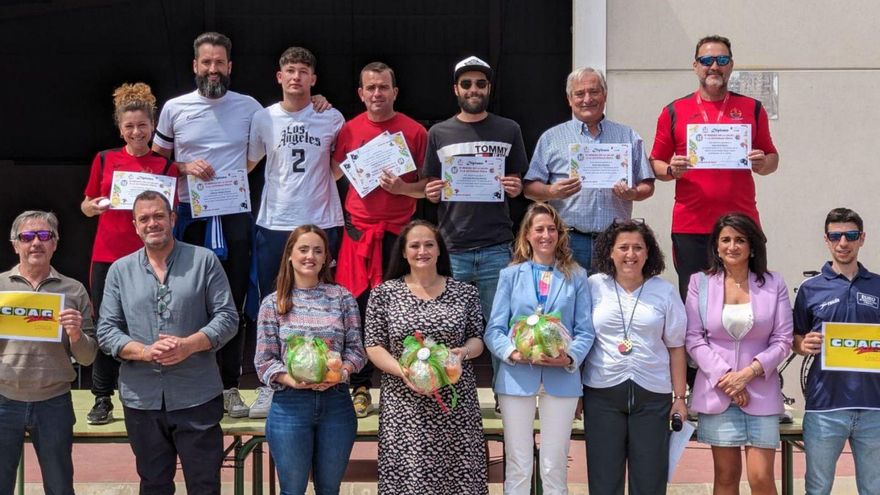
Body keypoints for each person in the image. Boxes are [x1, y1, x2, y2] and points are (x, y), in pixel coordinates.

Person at [151, 31, 262, 418]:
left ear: (230, 67)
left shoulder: (250, 107)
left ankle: (230, 386)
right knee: (186, 300)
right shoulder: (174, 108)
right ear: (195, 66)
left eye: (219, 63)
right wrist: (184, 167)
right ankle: (187, 386)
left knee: (232, 301)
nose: (213, 70)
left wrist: (318, 102)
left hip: (234, 215)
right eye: (206, 63)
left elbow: (259, 153)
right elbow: (156, 162)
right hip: (188, 216)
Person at [97, 191, 238, 494]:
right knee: (154, 485)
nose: (152, 223)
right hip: (142, 397)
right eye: (144, 218)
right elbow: (107, 330)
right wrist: (144, 352)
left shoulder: (204, 261)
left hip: (197, 394)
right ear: (135, 226)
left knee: (204, 485)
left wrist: (190, 345)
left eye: (159, 216)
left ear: (173, 218)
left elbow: (228, 318)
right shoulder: (120, 271)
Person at [649, 35, 779, 300]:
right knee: (697, 301)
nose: (714, 66)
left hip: (742, 222)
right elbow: (655, 163)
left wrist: (762, 163)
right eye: (706, 60)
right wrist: (672, 170)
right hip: (692, 225)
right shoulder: (674, 110)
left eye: (721, 60)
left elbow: (772, 158)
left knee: (746, 297)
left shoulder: (752, 108)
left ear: (731, 65)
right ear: (695, 66)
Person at [332, 61, 428, 417]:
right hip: (358, 234)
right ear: (360, 93)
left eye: (383, 87)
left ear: (395, 91)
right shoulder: (348, 130)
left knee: (400, 312)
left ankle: (404, 380)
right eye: (370, 88)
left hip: (399, 234)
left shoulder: (415, 132)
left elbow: (431, 189)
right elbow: (331, 174)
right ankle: (359, 385)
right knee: (357, 311)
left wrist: (403, 187)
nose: (377, 93)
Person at [363, 220, 488, 494]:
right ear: (404, 253)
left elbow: (477, 338)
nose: (423, 251)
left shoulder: (464, 292)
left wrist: (463, 353)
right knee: (410, 479)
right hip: (404, 405)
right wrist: (403, 371)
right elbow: (373, 345)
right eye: (415, 245)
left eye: (429, 244)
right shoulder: (384, 294)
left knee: (459, 478)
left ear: (440, 250)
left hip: (455, 403)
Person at [80, 82, 179, 425]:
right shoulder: (105, 159)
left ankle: (155, 396)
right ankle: (102, 397)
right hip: (108, 255)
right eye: (129, 126)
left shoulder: (166, 167)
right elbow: (87, 203)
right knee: (107, 323)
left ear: (153, 127)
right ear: (120, 128)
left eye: (142, 125)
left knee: (154, 322)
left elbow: (172, 210)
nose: (137, 132)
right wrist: (92, 208)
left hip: (152, 258)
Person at [484, 203, 594, 495]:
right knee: (518, 462)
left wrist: (569, 357)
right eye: (539, 229)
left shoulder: (577, 275)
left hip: (561, 379)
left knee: (554, 463)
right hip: (517, 377)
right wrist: (512, 353)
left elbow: (585, 330)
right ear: (527, 235)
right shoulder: (510, 275)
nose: (546, 235)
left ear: (559, 234)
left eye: (551, 229)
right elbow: (494, 330)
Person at [685, 213, 792, 495]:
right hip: (718, 391)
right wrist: (727, 379)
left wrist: (747, 374)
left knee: (761, 478)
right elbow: (694, 338)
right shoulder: (700, 283)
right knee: (726, 476)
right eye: (726, 240)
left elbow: (783, 340)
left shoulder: (773, 283)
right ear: (716, 247)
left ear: (752, 246)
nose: (732, 246)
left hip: (761, 390)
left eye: (740, 240)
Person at [255, 225, 366, 495]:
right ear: (290, 255)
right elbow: (264, 360)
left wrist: (341, 372)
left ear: (327, 257)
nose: (310, 256)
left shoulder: (342, 297)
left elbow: (357, 351)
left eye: (318, 250)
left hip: (336, 403)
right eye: (303, 249)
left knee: (329, 489)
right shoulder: (274, 303)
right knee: (292, 490)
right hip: (290, 406)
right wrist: (290, 379)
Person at [583, 218, 685, 494]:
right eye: (623, 247)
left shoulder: (664, 291)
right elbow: (580, 337)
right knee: (604, 481)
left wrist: (679, 398)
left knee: (650, 481)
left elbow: (676, 347)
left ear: (648, 252)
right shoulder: (594, 286)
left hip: (652, 395)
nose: (631, 255)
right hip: (601, 392)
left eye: (638, 248)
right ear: (610, 252)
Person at [422, 55, 528, 323]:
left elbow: (517, 184)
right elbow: (431, 185)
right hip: (452, 247)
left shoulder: (509, 129)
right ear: (456, 89)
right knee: (449, 328)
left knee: (499, 327)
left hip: (496, 246)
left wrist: (515, 188)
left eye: (480, 83)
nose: (473, 89)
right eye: (466, 83)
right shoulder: (438, 132)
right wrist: (431, 192)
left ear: (488, 88)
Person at [0, 210, 97, 495]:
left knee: (59, 487)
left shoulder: (74, 290)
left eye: (44, 236)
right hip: (4, 401)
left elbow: (88, 357)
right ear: (15, 244)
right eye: (27, 237)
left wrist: (76, 334)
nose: (36, 243)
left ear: (55, 243)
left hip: (53, 403)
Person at [524, 67, 655, 270]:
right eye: (579, 93)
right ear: (569, 99)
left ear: (605, 95)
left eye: (594, 92)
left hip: (615, 241)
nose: (587, 99)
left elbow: (647, 184)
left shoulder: (627, 136)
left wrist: (633, 193)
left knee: (610, 300)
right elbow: (529, 187)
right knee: (568, 299)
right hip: (568, 239)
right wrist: (551, 191)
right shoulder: (551, 138)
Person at [793, 207, 880, 495]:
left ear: (862, 239)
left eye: (850, 235)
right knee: (818, 489)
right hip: (825, 408)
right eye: (836, 236)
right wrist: (801, 344)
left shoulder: (878, 286)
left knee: (873, 488)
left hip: (874, 408)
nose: (843, 242)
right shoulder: (810, 289)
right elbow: (794, 337)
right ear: (827, 240)